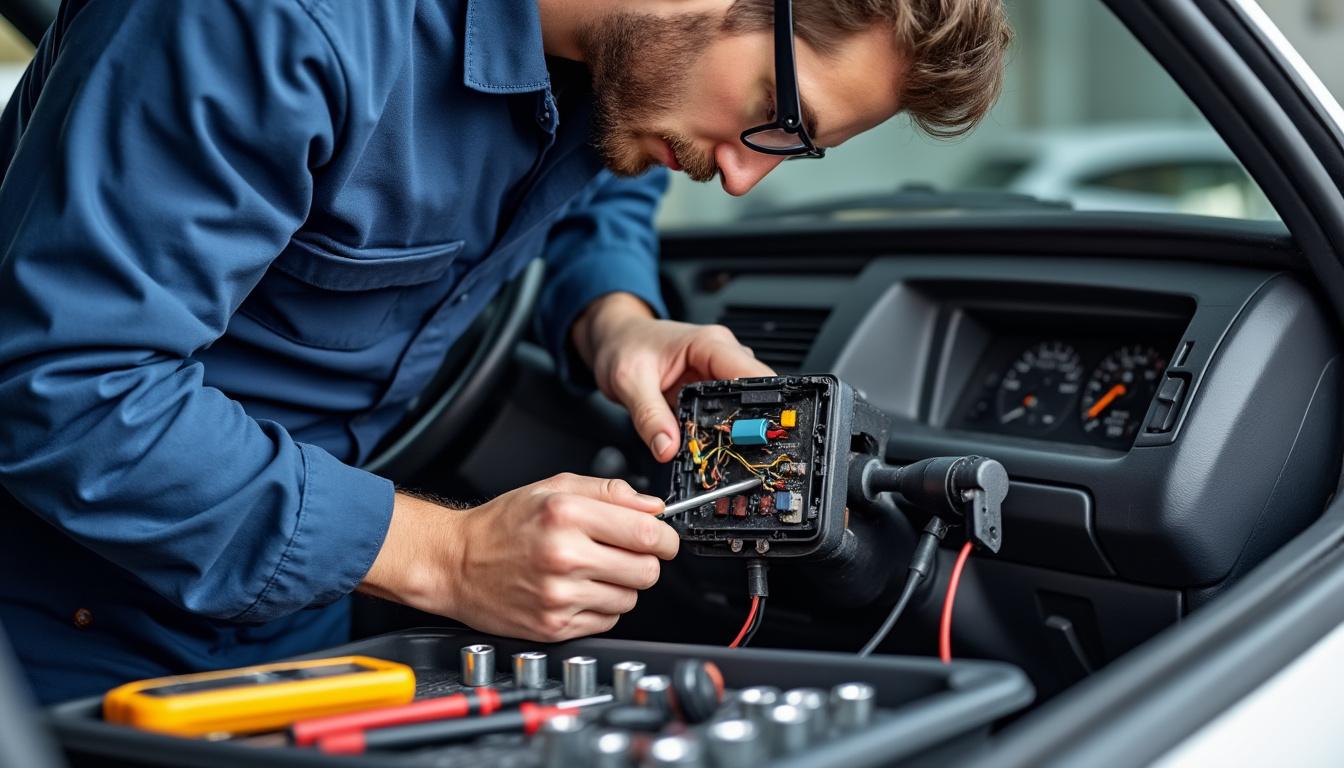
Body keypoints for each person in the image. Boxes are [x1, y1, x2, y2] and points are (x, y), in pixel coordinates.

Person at [0, 0, 1011, 703]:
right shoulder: (276, 24)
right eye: (777, 119)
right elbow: (74, 388)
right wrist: (451, 555)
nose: (744, 179)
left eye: (796, 150)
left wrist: (613, 318)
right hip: (55, 626)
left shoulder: (623, 63)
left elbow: (610, 173)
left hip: (298, 619)